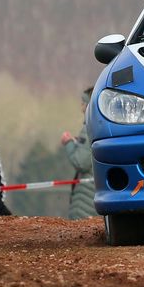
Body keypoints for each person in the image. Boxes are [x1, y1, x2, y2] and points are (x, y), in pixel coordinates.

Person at [61, 87, 96, 219]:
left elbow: (81, 162)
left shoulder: (89, 128)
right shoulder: (103, 127)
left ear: (89, 106)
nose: (81, 107)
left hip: (85, 203)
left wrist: (68, 143)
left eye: (83, 103)